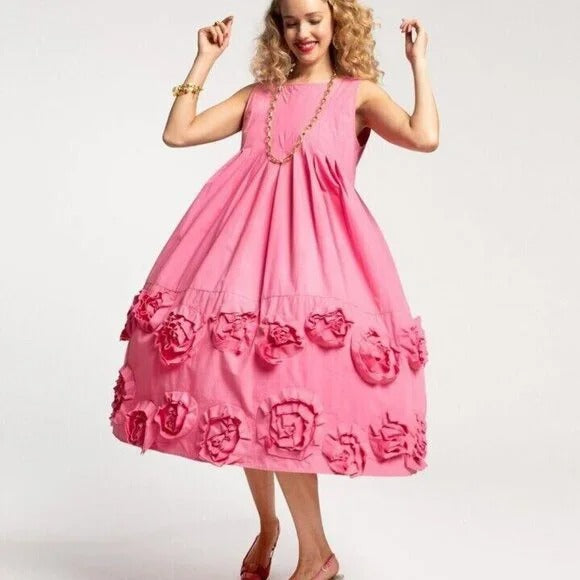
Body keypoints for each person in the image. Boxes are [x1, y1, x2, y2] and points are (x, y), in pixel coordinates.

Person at [110, 0, 439, 578]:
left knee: (285, 398)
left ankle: (317, 557)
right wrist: (204, 59)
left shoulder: (356, 95)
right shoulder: (259, 97)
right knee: (242, 399)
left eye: (313, 19)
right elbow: (178, 133)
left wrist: (418, 64)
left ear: (337, 22)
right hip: (238, 260)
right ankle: (269, 527)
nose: (302, 32)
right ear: (277, 28)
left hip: (314, 268)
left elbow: (424, 136)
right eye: (290, 21)